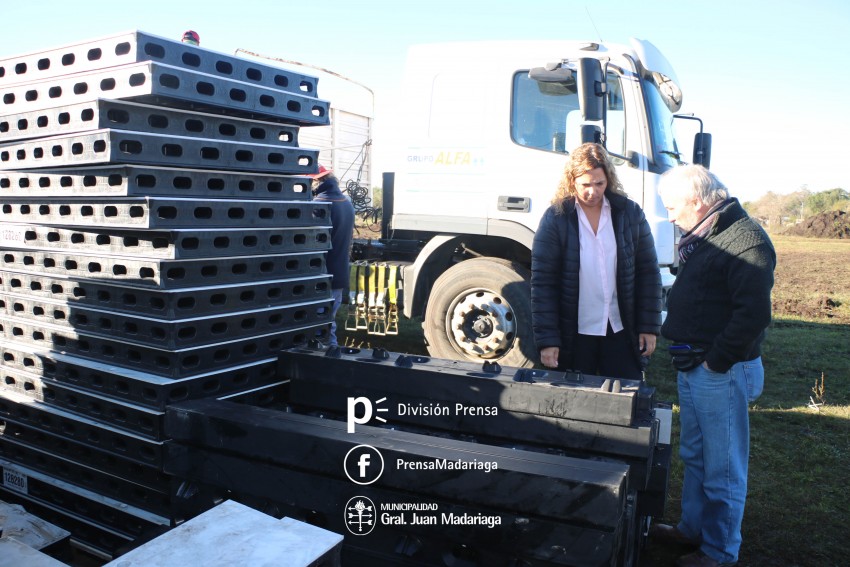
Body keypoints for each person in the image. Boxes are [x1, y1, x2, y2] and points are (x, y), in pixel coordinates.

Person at [651, 165, 775, 567]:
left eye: (672, 208)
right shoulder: (708, 234)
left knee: (723, 466)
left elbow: (752, 316)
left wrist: (715, 362)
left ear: (698, 201)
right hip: (697, 365)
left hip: (720, 371)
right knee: (696, 454)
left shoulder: (747, 240)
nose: (669, 216)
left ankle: (719, 551)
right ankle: (692, 528)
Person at [530, 143, 662, 380]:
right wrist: (548, 340)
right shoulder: (555, 218)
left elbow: (648, 273)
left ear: (609, 179)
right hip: (575, 334)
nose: (593, 191)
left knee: (627, 400)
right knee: (576, 404)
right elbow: (543, 284)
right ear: (572, 182)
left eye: (599, 183)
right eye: (585, 185)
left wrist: (649, 327)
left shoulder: (630, 213)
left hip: (620, 330)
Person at [309, 165, 355, 347]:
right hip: (339, 274)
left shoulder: (319, 205)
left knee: (319, 326)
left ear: (315, 182)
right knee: (329, 324)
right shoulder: (347, 203)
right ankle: (333, 356)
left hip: (321, 276)